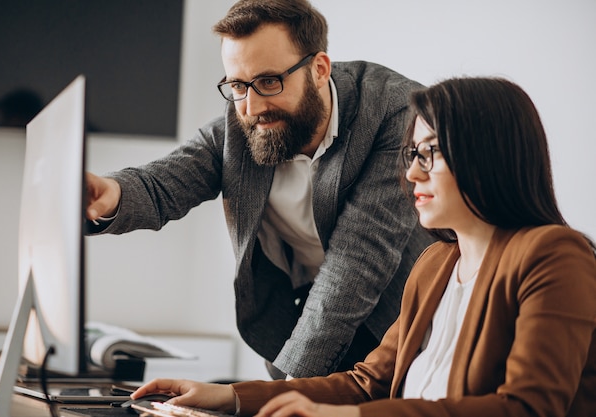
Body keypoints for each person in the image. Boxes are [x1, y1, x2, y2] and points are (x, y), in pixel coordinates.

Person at [129, 77, 596, 417]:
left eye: (430, 153)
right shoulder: (435, 264)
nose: (412, 173)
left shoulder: (554, 255)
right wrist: (227, 397)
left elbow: (528, 408)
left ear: (486, 155)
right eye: (412, 155)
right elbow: (366, 383)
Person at [85, 0, 433, 379]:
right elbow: (163, 184)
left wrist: (283, 388)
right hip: (300, 318)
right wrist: (109, 192)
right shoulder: (242, 124)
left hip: (399, 325)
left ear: (319, 69)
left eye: (269, 82)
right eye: (237, 85)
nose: (251, 106)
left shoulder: (396, 111)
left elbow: (358, 264)